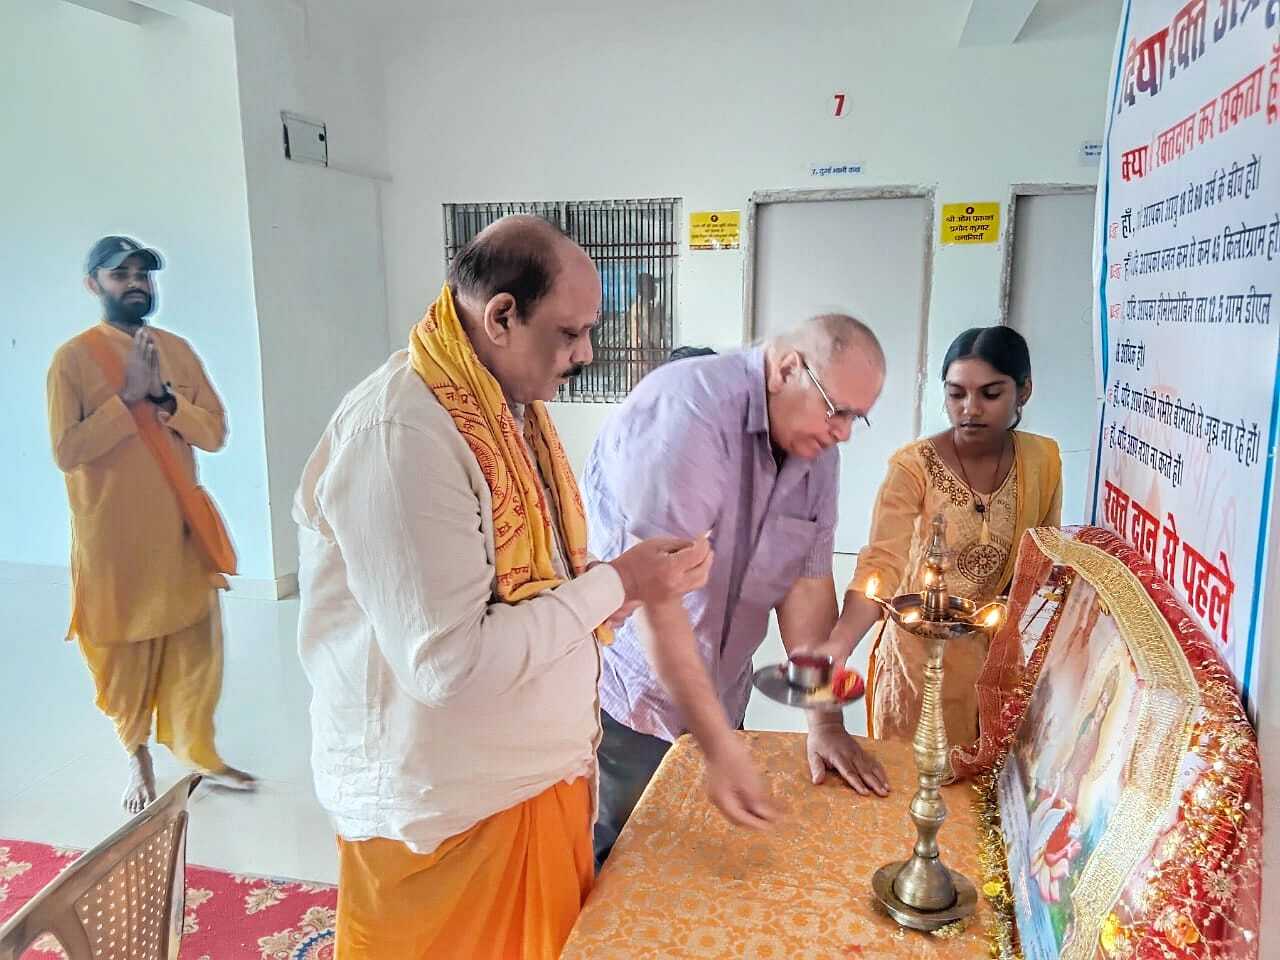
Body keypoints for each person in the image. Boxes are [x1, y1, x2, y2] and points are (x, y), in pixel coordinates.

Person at [294, 216, 767, 960]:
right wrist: (617, 583)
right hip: (448, 814)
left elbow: (537, 591)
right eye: (570, 333)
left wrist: (629, 588)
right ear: (501, 316)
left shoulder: (506, 412)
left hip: (531, 783)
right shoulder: (403, 434)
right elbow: (448, 664)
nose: (585, 355)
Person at [584, 314, 891, 868]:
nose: (843, 432)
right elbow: (660, 601)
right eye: (837, 410)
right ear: (787, 369)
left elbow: (807, 583)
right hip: (637, 702)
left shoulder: (817, 451)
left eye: (856, 418)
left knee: (714, 861)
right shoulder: (688, 414)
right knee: (629, 864)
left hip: (723, 693)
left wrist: (823, 720)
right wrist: (718, 747)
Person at [46, 235, 252, 813]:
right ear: (93, 284)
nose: (136, 283)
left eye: (143, 273)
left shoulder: (177, 351)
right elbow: (67, 450)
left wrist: (164, 399)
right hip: (111, 537)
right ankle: (136, 756)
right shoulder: (72, 359)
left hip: (178, 528)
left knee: (195, 648)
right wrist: (125, 401)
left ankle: (200, 751)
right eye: (121, 274)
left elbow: (214, 432)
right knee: (122, 655)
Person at [816, 326, 1062, 750]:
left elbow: (1039, 562)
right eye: (956, 394)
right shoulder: (913, 466)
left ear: (1024, 391)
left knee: (984, 785)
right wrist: (838, 647)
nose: (970, 409)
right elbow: (881, 565)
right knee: (913, 780)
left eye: (990, 394)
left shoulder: (1043, 461)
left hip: (995, 664)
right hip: (918, 663)